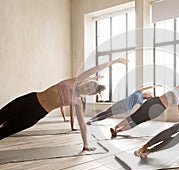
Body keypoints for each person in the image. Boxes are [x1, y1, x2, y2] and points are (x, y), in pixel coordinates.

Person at [0, 57, 128, 150]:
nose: (86, 88)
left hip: (37, 113)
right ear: (85, 82)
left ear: (88, 95)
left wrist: (85, 144)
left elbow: (83, 125)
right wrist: (114, 62)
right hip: (30, 100)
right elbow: (95, 69)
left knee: (6, 130)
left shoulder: (77, 102)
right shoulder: (75, 80)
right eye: (87, 86)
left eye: (89, 90)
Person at [110, 78, 179, 138]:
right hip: (155, 101)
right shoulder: (178, 89)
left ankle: (117, 132)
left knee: (138, 121)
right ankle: (115, 128)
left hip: (159, 109)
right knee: (135, 116)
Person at [86, 85, 160, 125]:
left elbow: (140, 109)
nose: (148, 92)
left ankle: (92, 121)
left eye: (149, 94)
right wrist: (153, 86)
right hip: (121, 102)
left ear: (148, 97)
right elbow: (146, 87)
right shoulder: (139, 92)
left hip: (125, 108)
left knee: (109, 114)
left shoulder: (141, 101)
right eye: (149, 92)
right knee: (107, 111)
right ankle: (91, 119)